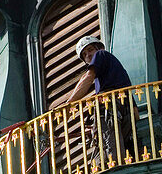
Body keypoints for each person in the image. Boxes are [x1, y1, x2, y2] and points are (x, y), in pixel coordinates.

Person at [56, 36, 135, 166]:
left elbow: (87, 78)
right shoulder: (114, 72)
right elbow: (135, 111)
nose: (88, 55)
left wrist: (69, 104)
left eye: (90, 49)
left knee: (109, 149)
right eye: (84, 54)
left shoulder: (101, 54)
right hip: (124, 111)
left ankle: (110, 165)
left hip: (110, 107)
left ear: (98, 48)